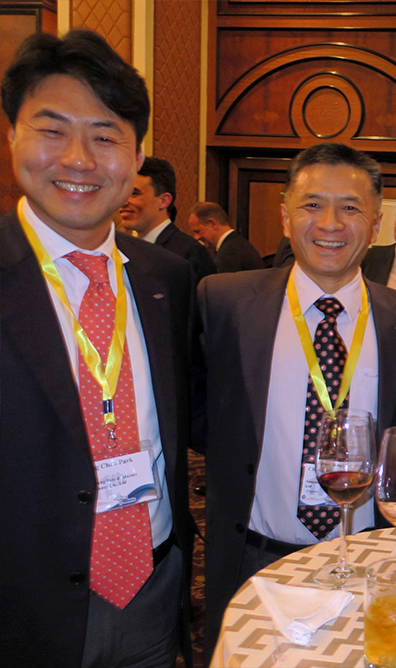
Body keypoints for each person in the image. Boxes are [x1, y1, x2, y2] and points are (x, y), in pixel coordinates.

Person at [0, 29, 195, 667]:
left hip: (155, 589)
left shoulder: (165, 279)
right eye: (52, 130)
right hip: (22, 607)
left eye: (105, 137)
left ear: (136, 157)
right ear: (13, 136)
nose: (79, 159)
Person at [198, 142, 396, 658]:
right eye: (312, 204)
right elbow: (195, 410)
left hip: (368, 560)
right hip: (254, 556)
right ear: (284, 216)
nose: (330, 223)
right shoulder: (224, 301)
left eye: (350, 207)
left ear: (376, 222)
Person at [119, 156, 217, 282]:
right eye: (122, 193)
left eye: (134, 193)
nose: (123, 202)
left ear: (163, 201)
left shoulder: (190, 253)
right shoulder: (121, 249)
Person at [187, 201, 265, 273]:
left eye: (198, 231)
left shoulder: (229, 254)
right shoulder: (238, 244)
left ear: (212, 223)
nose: (196, 237)